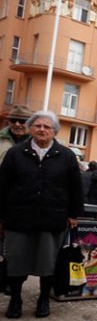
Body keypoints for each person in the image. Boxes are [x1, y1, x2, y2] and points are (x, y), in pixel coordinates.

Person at [0, 110, 84, 318]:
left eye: (47, 127)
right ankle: (16, 299)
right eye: (37, 126)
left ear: (54, 131)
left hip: (52, 218)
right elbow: (2, 186)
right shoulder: (15, 153)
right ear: (30, 129)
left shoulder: (66, 156)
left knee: (48, 262)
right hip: (18, 217)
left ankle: (44, 299)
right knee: (16, 260)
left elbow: (76, 188)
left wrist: (74, 214)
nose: (42, 130)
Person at [0, 104, 32, 295]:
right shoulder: (1, 140)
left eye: (23, 121)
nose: (18, 124)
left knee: (19, 244)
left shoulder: (36, 141)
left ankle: (15, 281)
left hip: (23, 201)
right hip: (2, 196)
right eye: (14, 120)